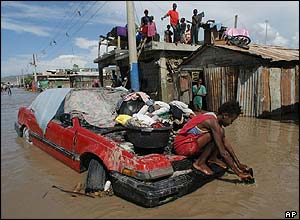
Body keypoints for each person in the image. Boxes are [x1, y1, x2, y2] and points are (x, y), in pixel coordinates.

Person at [174, 101, 254, 181]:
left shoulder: (214, 118)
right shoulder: (213, 123)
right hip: (182, 146)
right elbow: (223, 152)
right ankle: (199, 163)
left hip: (189, 142)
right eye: (231, 120)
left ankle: (213, 158)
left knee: (220, 134)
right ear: (225, 115)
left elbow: (226, 144)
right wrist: (239, 173)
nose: (231, 123)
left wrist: (238, 164)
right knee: (215, 137)